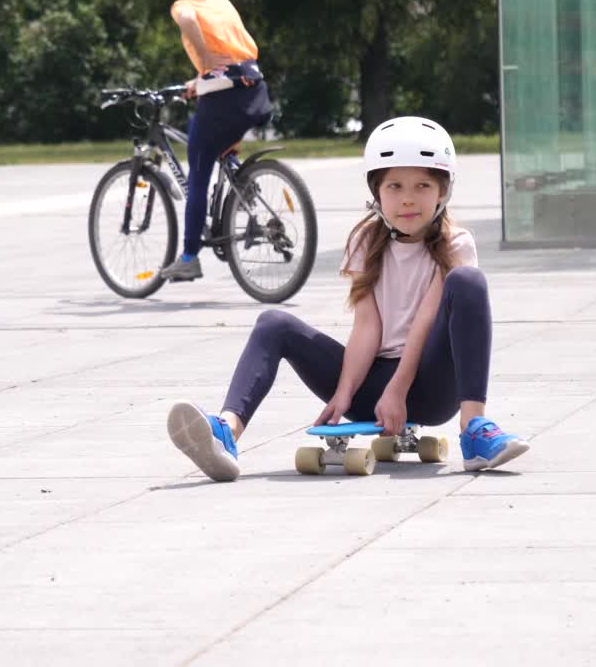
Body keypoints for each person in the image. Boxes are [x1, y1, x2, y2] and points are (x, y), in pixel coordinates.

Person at [165, 116, 529, 482]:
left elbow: (424, 323)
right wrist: (343, 393)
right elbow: (368, 326)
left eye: (422, 185)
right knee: (274, 323)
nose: (407, 198)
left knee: (468, 281)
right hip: (371, 386)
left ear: (442, 192)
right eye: (394, 186)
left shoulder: (455, 243)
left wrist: (398, 390)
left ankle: (474, 429)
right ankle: (226, 433)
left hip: (431, 385)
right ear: (377, 191)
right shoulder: (365, 241)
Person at [155, 0, 273, 283]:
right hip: (254, 89)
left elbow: (191, 24)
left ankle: (189, 256)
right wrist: (201, 79)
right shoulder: (221, 2)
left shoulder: (185, 5)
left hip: (223, 96)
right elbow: (235, 54)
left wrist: (205, 63)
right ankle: (241, 185)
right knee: (220, 143)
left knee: (198, 173)